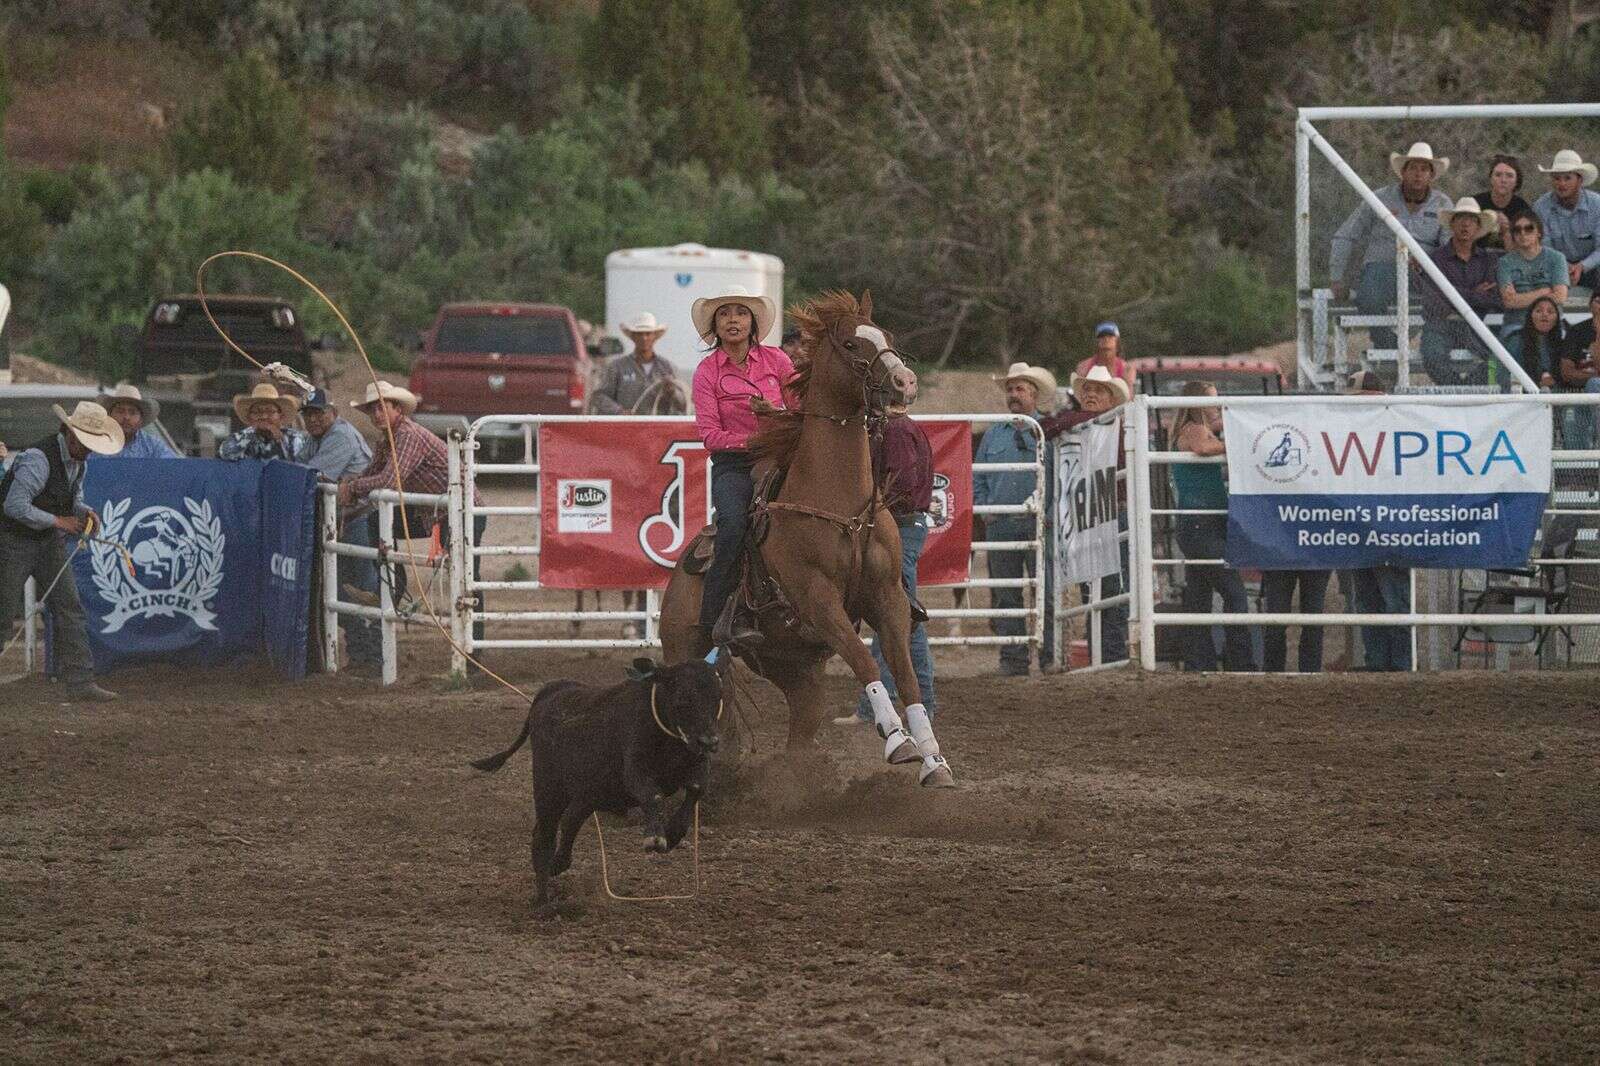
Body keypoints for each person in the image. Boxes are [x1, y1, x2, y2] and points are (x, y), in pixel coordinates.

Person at [338, 380, 487, 640]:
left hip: (463, 511)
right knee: (377, 521)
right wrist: (353, 484)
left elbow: (389, 480)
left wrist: (353, 487)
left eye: (383, 408)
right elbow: (373, 474)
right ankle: (393, 589)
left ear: (398, 409)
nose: (377, 415)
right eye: (372, 410)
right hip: (436, 512)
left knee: (466, 578)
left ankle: (474, 647)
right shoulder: (388, 440)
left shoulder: (407, 435)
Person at [689, 286, 791, 647]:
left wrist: (778, 419)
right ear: (715, 326)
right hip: (734, 464)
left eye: (741, 312)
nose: (733, 319)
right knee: (733, 522)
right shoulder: (706, 373)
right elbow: (710, 435)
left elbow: (799, 410)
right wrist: (750, 441)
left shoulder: (778, 361)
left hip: (780, 457)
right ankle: (715, 618)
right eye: (724, 314)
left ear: (752, 323)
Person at [0, 401, 122, 702]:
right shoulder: (37, 459)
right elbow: (13, 506)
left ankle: (80, 681)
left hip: (45, 541)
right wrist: (60, 521)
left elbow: (71, 498)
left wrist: (83, 510)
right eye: (86, 442)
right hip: (13, 540)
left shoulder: (78, 461)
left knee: (70, 607)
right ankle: (80, 681)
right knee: (2, 612)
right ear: (70, 434)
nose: (89, 449)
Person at [837, 374, 937, 726]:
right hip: (907, 525)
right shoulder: (901, 428)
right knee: (901, 617)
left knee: (894, 618)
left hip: (899, 525)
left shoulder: (892, 431)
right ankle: (920, 701)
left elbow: (903, 487)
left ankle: (880, 706)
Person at [1042, 364, 1131, 663]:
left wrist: (1077, 420)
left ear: (1110, 397)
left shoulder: (1116, 422)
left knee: (1111, 587)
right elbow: (1048, 428)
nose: (1091, 394)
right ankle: (1103, 654)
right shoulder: (1083, 422)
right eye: (1087, 390)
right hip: (1089, 509)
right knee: (1096, 586)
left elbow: (1050, 427)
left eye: (1098, 391)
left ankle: (1110, 654)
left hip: (1107, 508)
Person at [973, 361, 1056, 676]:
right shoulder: (993, 435)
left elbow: (1060, 476)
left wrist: (1049, 512)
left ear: (1034, 395)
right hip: (1002, 523)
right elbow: (977, 477)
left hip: (1039, 524)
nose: (1013, 395)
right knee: (1006, 592)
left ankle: (1050, 653)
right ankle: (1013, 657)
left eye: (1019, 389)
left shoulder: (1047, 432)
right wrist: (986, 509)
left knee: (1044, 590)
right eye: (1010, 389)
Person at [1329, 141, 1454, 350]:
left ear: (1431, 175)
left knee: (1444, 303)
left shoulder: (1443, 204)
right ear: (1402, 172)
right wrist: (1336, 275)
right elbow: (1346, 235)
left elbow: (1449, 246)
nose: (1418, 174)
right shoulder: (1379, 198)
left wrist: (1429, 262)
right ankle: (1388, 345)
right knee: (1369, 299)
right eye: (1413, 168)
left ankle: (1432, 348)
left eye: (1424, 169)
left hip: (1423, 273)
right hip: (1382, 268)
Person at [1169, 380, 1255, 672]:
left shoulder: (1194, 428)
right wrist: (1236, 445)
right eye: (1211, 401)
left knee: (1199, 594)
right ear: (1196, 404)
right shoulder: (1193, 430)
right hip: (1201, 523)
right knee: (1234, 592)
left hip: (1199, 522)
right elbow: (1203, 448)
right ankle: (1240, 661)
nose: (1217, 406)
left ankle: (1199, 661)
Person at [302, 388, 379, 671]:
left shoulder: (339, 437)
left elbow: (309, 474)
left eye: (318, 413)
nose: (313, 420)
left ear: (332, 413)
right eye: (308, 414)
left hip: (358, 520)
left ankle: (374, 654)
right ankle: (364, 653)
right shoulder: (319, 439)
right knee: (346, 589)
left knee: (363, 588)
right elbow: (304, 468)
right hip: (348, 520)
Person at [1345, 372, 1412, 671]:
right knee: (1368, 602)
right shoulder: (1348, 433)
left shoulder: (1397, 429)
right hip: (1361, 528)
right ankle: (1379, 664)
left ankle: (1396, 665)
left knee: (1392, 601)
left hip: (1388, 527)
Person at [1417, 197, 1503, 386]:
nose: (1465, 224)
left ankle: (1469, 389)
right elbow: (1435, 296)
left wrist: (1454, 294)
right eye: (1461, 218)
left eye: (1471, 219)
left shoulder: (1488, 260)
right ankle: (1456, 390)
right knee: (1432, 356)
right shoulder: (1436, 258)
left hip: (1477, 324)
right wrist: (1475, 294)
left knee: (1497, 358)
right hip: (1442, 323)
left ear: (1478, 227)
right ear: (1452, 224)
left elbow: (1494, 298)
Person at [1497, 209, 1569, 346]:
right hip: (1516, 325)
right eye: (1517, 230)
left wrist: (1521, 298)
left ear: (1539, 233)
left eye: (1529, 228)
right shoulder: (1505, 262)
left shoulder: (1556, 258)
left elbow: (1560, 296)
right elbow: (1509, 301)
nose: (1523, 233)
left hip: (1551, 325)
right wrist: (1544, 292)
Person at [1532, 149, 1600, 292]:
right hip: (1554, 265)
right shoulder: (1541, 207)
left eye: (1567, 178)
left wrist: (1582, 266)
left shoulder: (1597, 204)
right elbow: (1544, 246)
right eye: (1557, 178)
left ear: (1580, 180)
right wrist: (1564, 266)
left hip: (1593, 266)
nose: (1561, 184)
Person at [591, 312, 682, 416]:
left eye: (648, 333)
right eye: (640, 334)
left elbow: (683, 404)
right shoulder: (617, 367)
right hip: (626, 428)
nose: (644, 338)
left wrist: (672, 392)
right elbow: (599, 396)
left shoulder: (667, 368)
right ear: (633, 337)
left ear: (654, 336)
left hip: (658, 428)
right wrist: (619, 411)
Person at [218, 383, 313, 463]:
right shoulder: (239, 437)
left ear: (280, 416)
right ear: (250, 417)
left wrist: (280, 442)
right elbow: (224, 454)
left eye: (270, 411)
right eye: (257, 412)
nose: (264, 416)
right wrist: (252, 435)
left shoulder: (294, 438)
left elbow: (302, 466)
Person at [1558, 290, 1600, 448]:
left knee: (1595, 384)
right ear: (1590, 306)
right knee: (1573, 411)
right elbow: (1567, 373)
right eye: (1598, 301)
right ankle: (1579, 468)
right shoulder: (1577, 331)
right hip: (1579, 393)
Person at [93, 383, 179, 459]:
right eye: (120, 411)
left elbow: (174, 469)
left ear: (141, 419)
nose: (126, 417)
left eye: (132, 412)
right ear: (110, 416)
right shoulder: (94, 445)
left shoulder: (154, 447)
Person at [1469, 154, 1530, 250]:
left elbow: (1524, 253)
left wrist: (1507, 231)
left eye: (1509, 176)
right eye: (1498, 175)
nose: (1503, 180)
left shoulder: (1522, 208)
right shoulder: (1475, 203)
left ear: (1517, 181)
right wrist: (1485, 227)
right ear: (1491, 178)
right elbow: (1462, 243)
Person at [1072, 322, 1137, 396]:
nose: (1106, 339)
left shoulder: (1127, 369)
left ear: (1117, 340)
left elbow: (1128, 397)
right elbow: (1078, 395)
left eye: (1110, 336)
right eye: (1102, 336)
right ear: (1097, 341)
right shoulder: (1084, 367)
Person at [1518, 295, 1566, 389]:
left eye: (1550, 311)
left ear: (1557, 319)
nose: (1545, 314)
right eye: (1539, 311)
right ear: (1530, 316)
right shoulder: (1517, 340)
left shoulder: (1562, 342)